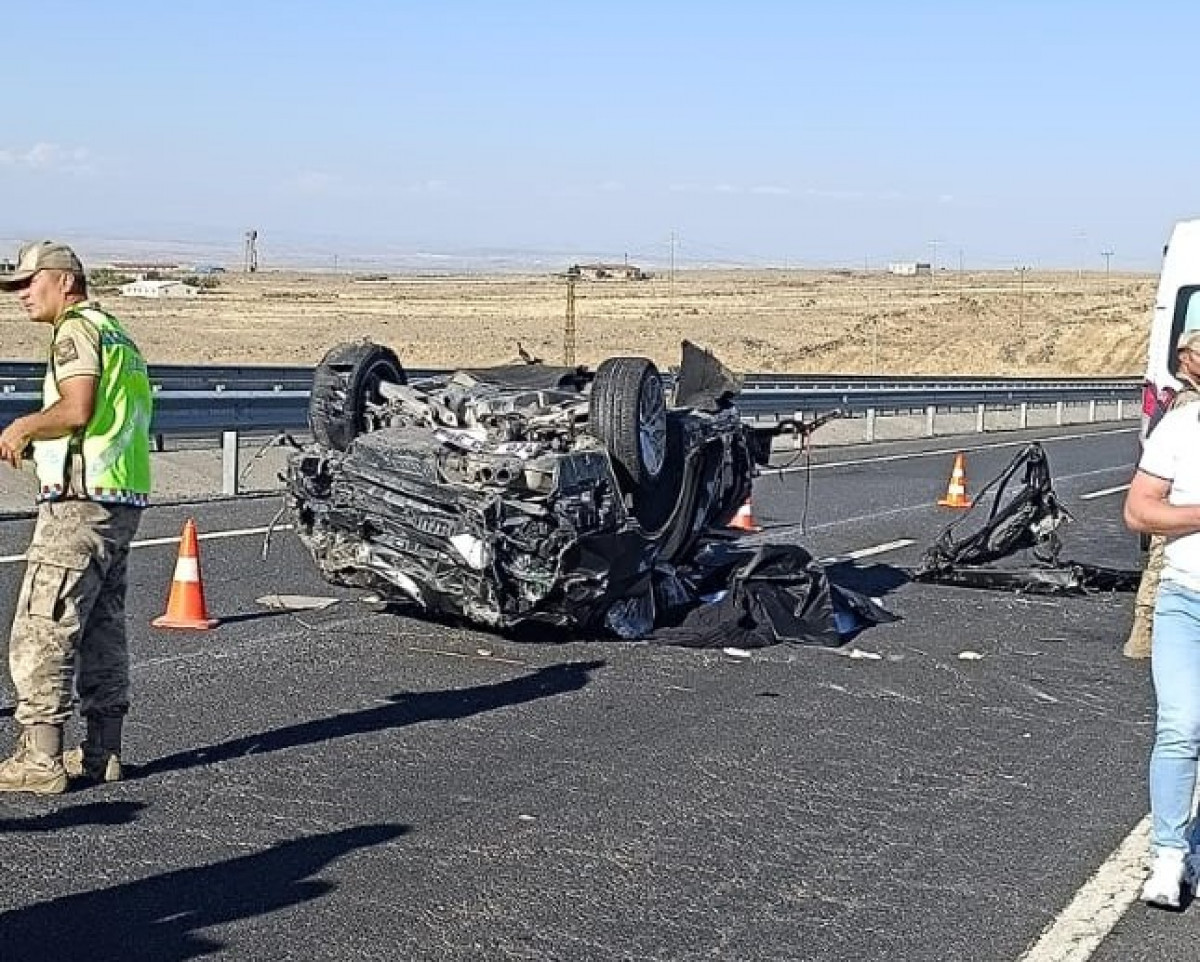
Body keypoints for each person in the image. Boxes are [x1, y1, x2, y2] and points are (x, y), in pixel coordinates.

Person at [0, 241, 152, 794]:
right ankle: (102, 751)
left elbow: (77, 408)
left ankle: (40, 759)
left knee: (45, 622)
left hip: (79, 500)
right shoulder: (116, 333)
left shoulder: (75, 330)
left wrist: (23, 427)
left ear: (65, 281)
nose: (21, 295)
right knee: (101, 625)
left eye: (29, 282)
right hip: (120, 496)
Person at [1124, 364, 1200, 907]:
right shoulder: (1181, 428)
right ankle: (1168, 855)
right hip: (1186, 600)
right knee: (1181, 723)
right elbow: (1139, 510)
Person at [1124, 330, 1200, 659]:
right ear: (1185, 357)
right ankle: (1144, 639)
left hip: (1169, 500)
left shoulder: (1176, 394)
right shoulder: (1187, 403)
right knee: (1160, 569)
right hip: (1171, 502)